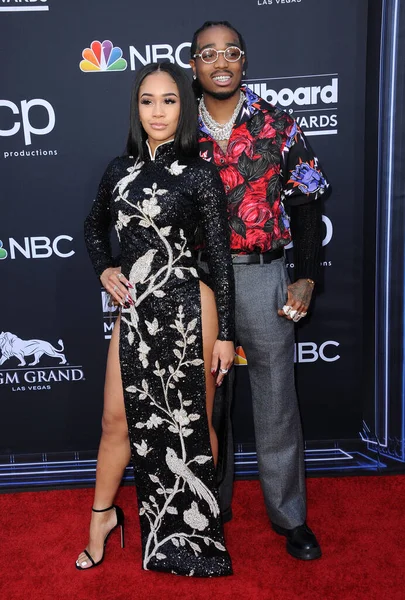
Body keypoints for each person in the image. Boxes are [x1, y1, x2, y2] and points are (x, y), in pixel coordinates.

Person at [77, 62, 235, 577]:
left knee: (195, 423)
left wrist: (227, 335)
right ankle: (102, 520)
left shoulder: (200, 173)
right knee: (114, 421)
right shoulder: (117, 171)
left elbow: (221, 259)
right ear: (136, 107)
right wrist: (104, 269)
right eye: (148, 101)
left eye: (169, 100)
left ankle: (199, 528)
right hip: (136, 312)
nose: (159, 111)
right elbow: (93, 226)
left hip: (193, 307)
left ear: (183, 107)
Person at [189, 20, 330, 561]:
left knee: (276, 402)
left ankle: (290, 518)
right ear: (195, 63)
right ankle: (207, 511)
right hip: (197, 278)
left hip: (261, 275)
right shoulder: (178, 130)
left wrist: (307, 274)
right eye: (208, 53)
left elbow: (307, 201)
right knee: (207, 404)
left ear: (244, 61)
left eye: (231, 52)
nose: (220, 61)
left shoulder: (278, 124)